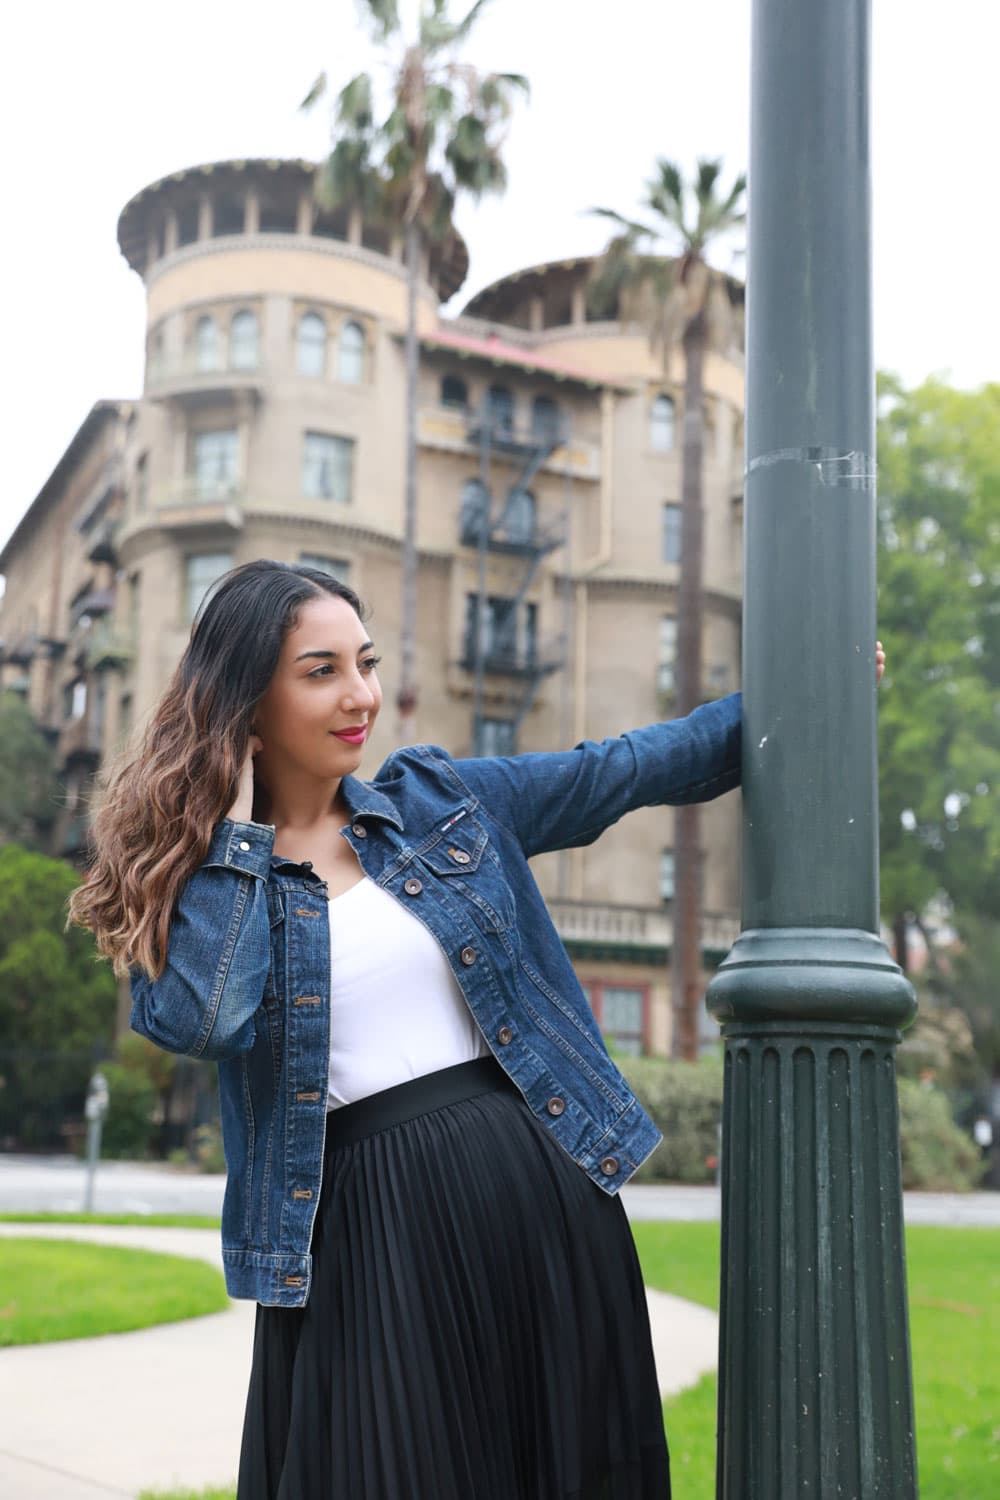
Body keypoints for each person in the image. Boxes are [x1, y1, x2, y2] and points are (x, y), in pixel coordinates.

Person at [66, 559, 885, 1500]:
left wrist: (804, 693)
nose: (360, 695)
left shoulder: (439, 801)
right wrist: (240, 838)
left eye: (365, 663)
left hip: (534, 1194)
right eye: (321, 671)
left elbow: (621, 769)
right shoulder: (203, 882)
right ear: (247, 701)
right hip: (368, 1234)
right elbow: (205, 1019)